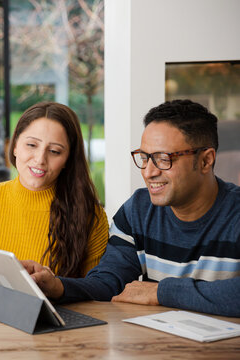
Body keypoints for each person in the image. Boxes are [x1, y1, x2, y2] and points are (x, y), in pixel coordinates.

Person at [22, 99, 240, 317]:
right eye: (144, 158)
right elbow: (109, 283)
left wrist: (161, 292)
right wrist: (57, 286)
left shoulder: (235, 214)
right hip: (161, 346)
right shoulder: (138, 210)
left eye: (164, 159)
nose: (148, 172)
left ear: (205, 161)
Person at [0, 102, 109, 300]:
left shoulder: (91, 215)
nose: (40, 159)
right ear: (14, 146)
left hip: (61, 328)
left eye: (54, 151)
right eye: (31, 145)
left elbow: (98, 293)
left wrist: (58, 287)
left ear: (68, 160)